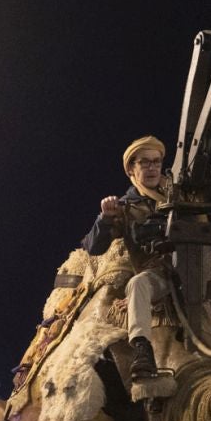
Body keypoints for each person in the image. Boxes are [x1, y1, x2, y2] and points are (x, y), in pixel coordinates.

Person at [81, 135, 177, 397]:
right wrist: (105, 218)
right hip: (160, 279)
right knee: (138, 284)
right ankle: (143, 351)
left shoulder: (180, 196)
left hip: (199, 275)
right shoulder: (125, 208)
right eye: (144, 162)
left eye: (156, 161)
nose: (152, 168)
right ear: (132, 169)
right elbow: (92, 247)